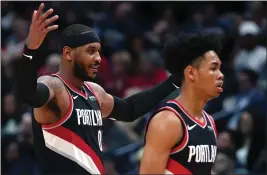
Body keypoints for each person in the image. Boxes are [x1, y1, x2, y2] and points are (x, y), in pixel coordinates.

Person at [14, 3, 179, 175]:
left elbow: (129, 110)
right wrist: (30, 50)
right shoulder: (54, 87)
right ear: (69, 54)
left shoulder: (95, 92)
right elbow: (27, 94)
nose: (98, 58)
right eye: (91, 51)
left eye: (99, 52)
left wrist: (173, 82)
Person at [140, 33, 224, 174]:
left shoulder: (209, 122)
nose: (220, 74)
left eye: (220, 68)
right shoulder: (167, 121)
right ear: (191, 73)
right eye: (213, 68)